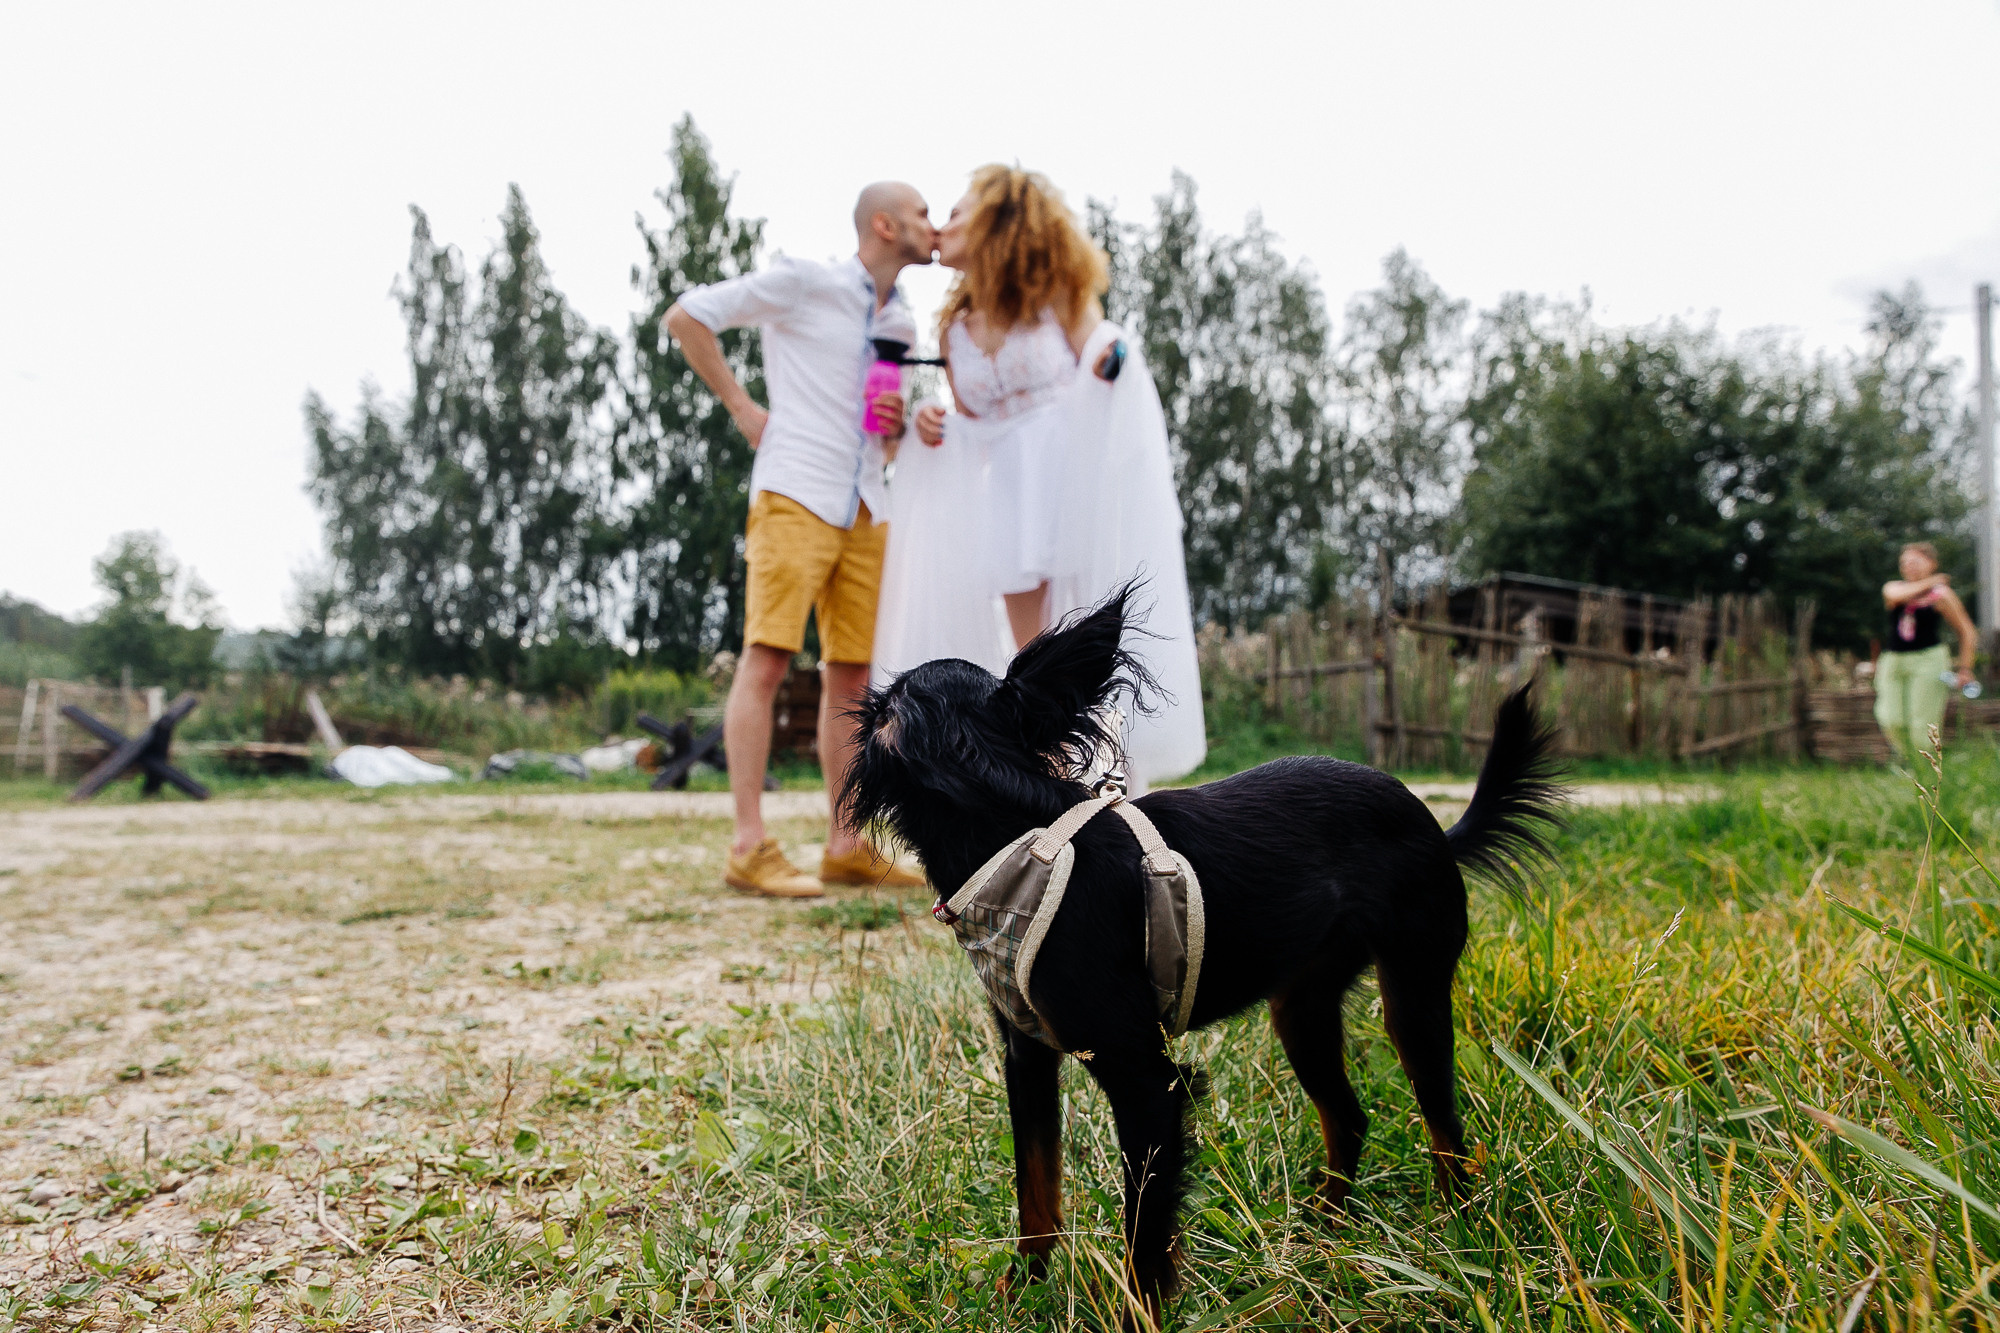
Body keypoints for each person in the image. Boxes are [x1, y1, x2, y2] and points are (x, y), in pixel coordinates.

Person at [875, 165, 1205, 788]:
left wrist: (1114, 360)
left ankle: (1121, 788)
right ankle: (1059, 781)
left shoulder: (1058, 294)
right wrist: (928, 423)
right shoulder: (955, 330)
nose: (943, 226)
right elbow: (968, 427)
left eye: (958, 212)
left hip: (1071, 487)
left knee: (1085, 641)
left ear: (1000, 220)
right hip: (1007, 501)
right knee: (1033, 658)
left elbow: (1103, 350)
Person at [663, 182, 934, 897]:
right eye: (922, 214)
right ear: (884, 224)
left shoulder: (901, 322)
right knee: (767, 661)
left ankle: (845, 844)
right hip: (796, 492)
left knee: (851, 679)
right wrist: (744, 407)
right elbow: (688, 316)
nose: (932, 227)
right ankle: (748, 846)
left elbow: (887, 430)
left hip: (869, 504)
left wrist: (896, 426)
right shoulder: (805, 282)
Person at [1874, 541, 1978, 762]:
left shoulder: (1942, 596)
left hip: (1929, 659)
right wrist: (1934, 580)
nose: (1909, 566)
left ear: (1932, 563)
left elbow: (1967, 632)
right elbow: (1895, 597)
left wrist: (1965, 669)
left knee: (1922, 723)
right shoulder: (1894, 587)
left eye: (1915, 561)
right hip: (1893, 659)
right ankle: (1907, 762)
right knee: (1890, 717)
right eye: (1905, 562)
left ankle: (1923, 772)